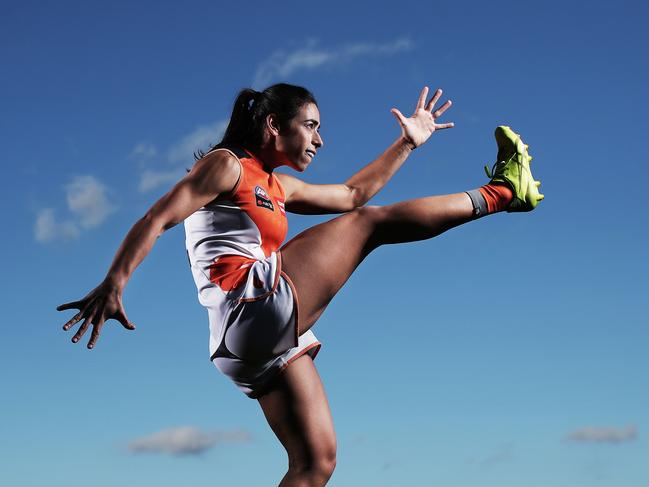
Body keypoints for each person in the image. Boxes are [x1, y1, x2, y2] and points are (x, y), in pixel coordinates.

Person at [58, 83, 543, 487]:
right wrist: (115, 281)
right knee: (368, 226)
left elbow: (353, 193)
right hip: (247, 306)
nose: (319, 139)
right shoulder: (227, 165)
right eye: (311, 126)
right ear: (274, 125)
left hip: (246, 345)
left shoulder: (278, 186)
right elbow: (157, 217)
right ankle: (504, 192)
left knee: (316, 464)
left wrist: (409, 142)